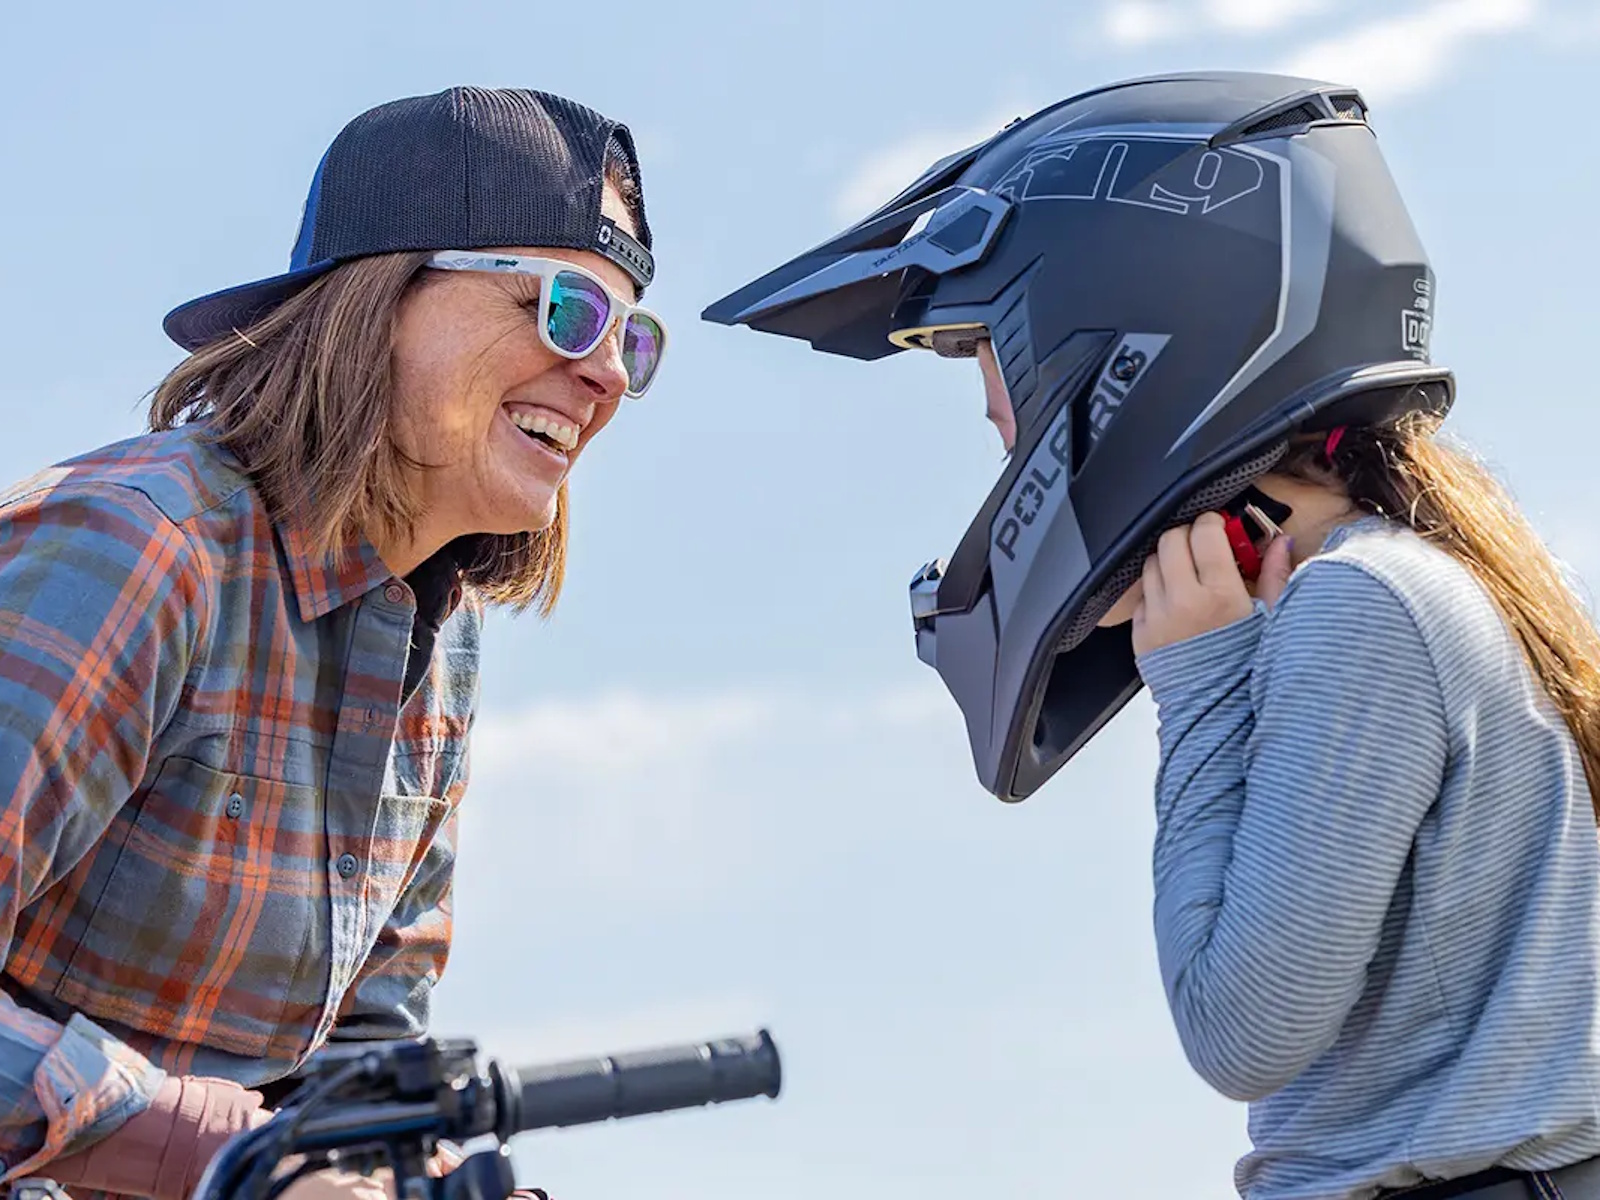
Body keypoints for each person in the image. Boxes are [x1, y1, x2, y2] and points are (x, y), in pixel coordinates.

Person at [703, 71, 1600, 1199]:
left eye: (991, 353)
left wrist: (1200, 679)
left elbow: (1240, 1029)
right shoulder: (1411, 578)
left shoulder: (1361, 606)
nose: (995, 415)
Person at [0, 84, 665, 1198]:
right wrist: (224, 1154)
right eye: (566, 309)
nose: (606, 375)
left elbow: (360, 1061)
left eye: (631, 339)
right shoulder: (138, 550)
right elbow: (252, 1153)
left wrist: (406, 1172)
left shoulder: (440, 643)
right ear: (381, 300)